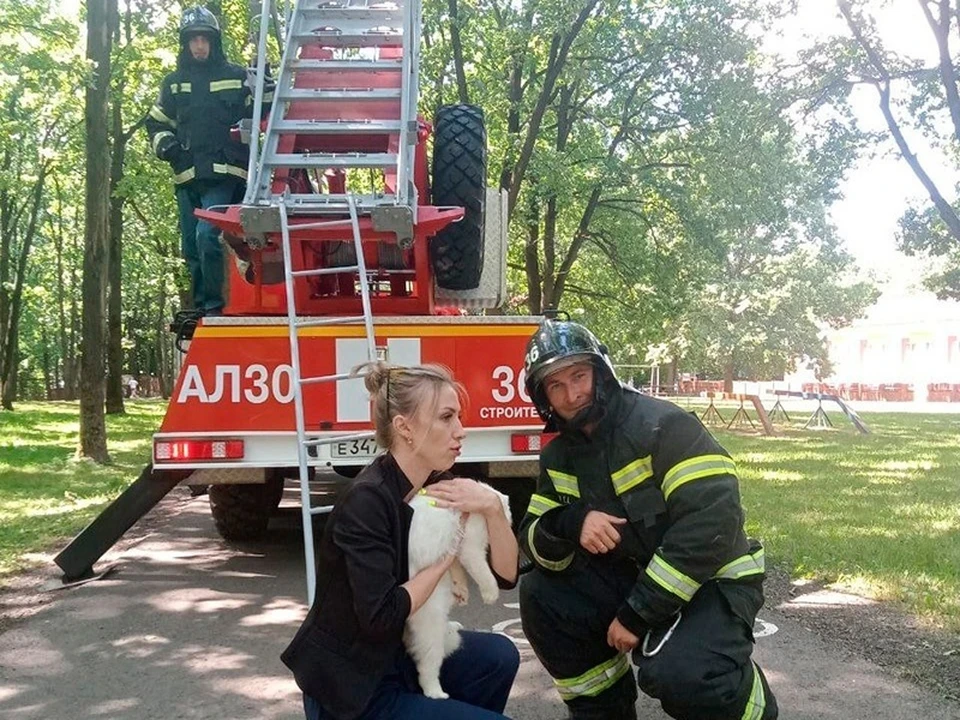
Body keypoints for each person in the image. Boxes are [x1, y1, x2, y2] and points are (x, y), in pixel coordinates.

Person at [518, 319, 778, 720]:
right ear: (543, 397)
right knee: (541, 594)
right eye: (555, 385)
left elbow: (712, 523)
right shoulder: (557, 457)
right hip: (634, 578)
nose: (572, 393)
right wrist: (571, 521)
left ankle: (750, 704)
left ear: (601, 371)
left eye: (579, 375)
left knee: (683, 675)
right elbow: (534, 541)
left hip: (711, 581)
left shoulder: (665, 425)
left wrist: (637, 614)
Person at [281, 362, 520, 720]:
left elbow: (506, 577)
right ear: (404, 428)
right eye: (446, 417)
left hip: (399, 655)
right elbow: (381, 617)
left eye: (458, 417)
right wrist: (446, 555)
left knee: (500, 657)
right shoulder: (367, 501)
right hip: (353, 687)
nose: (461, 431)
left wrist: (492, 509)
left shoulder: (438, 483)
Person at [145, 6, 272, 316]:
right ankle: (203, 306)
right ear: (185, 43)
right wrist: (169, 148)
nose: (199, 45)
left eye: (205, 39)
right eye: (193, 39)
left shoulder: (236, 76)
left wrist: (264, 78)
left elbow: (263, 113)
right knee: (191, 247)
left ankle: (214, 308)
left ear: (214, 42)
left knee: (206, 237)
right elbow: (156, 123)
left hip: (225, 176)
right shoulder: (173, 83)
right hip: (186, 178)